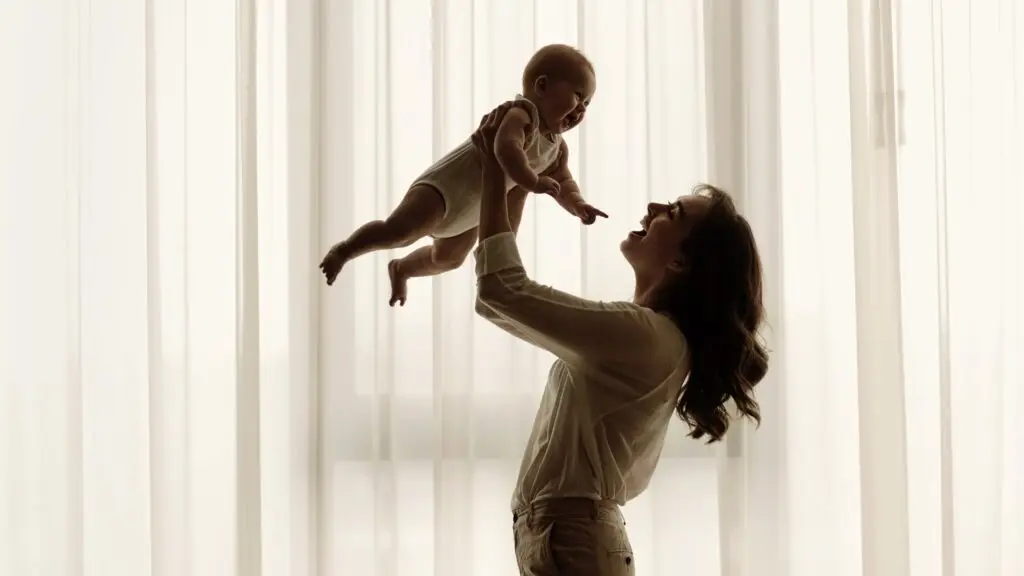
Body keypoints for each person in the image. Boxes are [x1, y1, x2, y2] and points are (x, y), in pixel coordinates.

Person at [469, 102, 769, 575]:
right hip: (563, 536)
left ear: (680, 263)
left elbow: (501, 290)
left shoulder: (646, 338)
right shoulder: (644, 336)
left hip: (573, 538)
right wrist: (518, 179)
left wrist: (495, 167)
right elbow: (502, 297)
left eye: (671, 213)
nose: (651, 209)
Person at [318, 44, 607, 306]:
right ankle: (346, 249)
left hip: (472, 212)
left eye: (587, 104)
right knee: (400, 231)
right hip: (445, 189)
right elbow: (506, 149)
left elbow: (564, 181)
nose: (581, 109)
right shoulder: (521, 115)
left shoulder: (557, 148)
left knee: (447, 259)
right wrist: (532, 181)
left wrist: (577, 204)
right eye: (578, 96)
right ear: (542, 86)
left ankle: (402, 268)